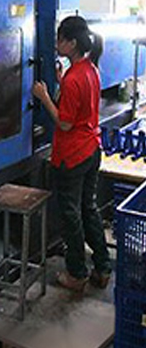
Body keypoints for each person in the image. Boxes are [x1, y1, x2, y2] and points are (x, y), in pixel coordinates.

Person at [32, 15, 111, 292]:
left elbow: (65, 123)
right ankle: (103, 267)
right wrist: (61, 81)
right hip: (91, 149)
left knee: (71, 215)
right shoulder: (90, 69)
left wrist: (44, 97)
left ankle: (76, 274)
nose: (56, 44)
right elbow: (78, 102)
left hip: (72, 156)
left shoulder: (73, 78)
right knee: (89, 208)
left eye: (60, 39)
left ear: (72, 43)